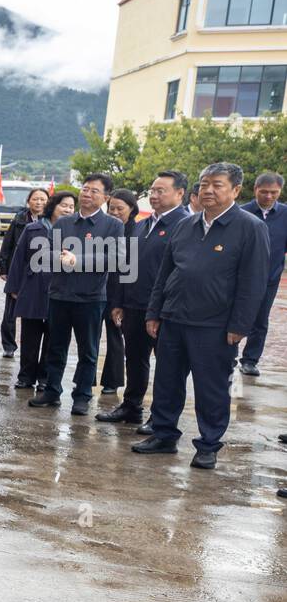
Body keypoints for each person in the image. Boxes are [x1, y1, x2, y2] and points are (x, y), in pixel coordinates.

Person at [134, 162, 269, 470]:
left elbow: (253, 283)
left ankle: (208, 444)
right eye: (204, 184)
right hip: (173, 319)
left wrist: (239, 325)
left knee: (211, 388)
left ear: (235, 190)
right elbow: (165, 274)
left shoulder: (250, 228)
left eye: (217, 184)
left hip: (216, 326)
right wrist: (155, 312)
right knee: (167, 382)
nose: (208, 190)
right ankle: (164, 435)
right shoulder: (186, 225)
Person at [28, 173, 125, 415]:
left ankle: (82, 395)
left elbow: (115, 259)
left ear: (105, 197)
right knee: (56, 347)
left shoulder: (113, 225)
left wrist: (77, 260)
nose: (87, 194)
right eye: (84, 188)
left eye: (94, 191)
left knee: (88, 351)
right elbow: (46, 254)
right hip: (59, 295)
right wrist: (57, 258)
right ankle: (51, 390)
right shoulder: (64, 223)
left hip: (90, 298)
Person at [101, 171, 189, 430]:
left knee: (168, 366)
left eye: (161, 190)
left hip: (164, 310)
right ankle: (131, 406)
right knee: (135, 358)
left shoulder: (185, 226)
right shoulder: (142, 225)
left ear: (180, 193)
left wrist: (161, 310)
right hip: (134, 305)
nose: (154, 195)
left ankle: (160, 418)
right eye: (152, 190)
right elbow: (125, 265)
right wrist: (118, 301)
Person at [6, 191, 77, 392]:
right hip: (33, 288)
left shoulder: (74, 232)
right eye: (64, 205)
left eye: (72, 206)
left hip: (60, 290)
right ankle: (26, 376)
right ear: (53, 206)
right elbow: (19, 259)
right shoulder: (33, 228)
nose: (68, 209)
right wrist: (14, 287)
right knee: (30, 336)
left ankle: (45, 378)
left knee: (54, 338)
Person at [237, 171, 287, 376]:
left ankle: (250, 360)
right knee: (233, 315)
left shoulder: (285, 214)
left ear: (280, 191)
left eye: (273, 192)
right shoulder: (242, 213)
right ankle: (226, 354)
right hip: (240, 276)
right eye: (264, 192)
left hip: (269, 278)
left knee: (260, 319)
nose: (268, 196)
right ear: (255, 189)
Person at [0, 189, 48, 357]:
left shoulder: (51, 222)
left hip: (38, 275)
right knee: (10, 311)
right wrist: (3, 267)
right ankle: (9, 345)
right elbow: (8, 243)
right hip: (17, 271)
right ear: (29, 201)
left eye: (42, 199)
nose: (39, 202)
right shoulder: (19, 219)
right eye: (35, 199)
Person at [97, 188, 135, 394]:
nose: (115, 212)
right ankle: (86, 379)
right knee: (91, 336)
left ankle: (112, 381)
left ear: (132, 209)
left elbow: (130, 268)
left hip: (119, 292)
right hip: (97, 288)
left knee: (114, 336)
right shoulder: (104, 227)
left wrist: (122, 299)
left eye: (120, 208)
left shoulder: (135, 231)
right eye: (111, 208)